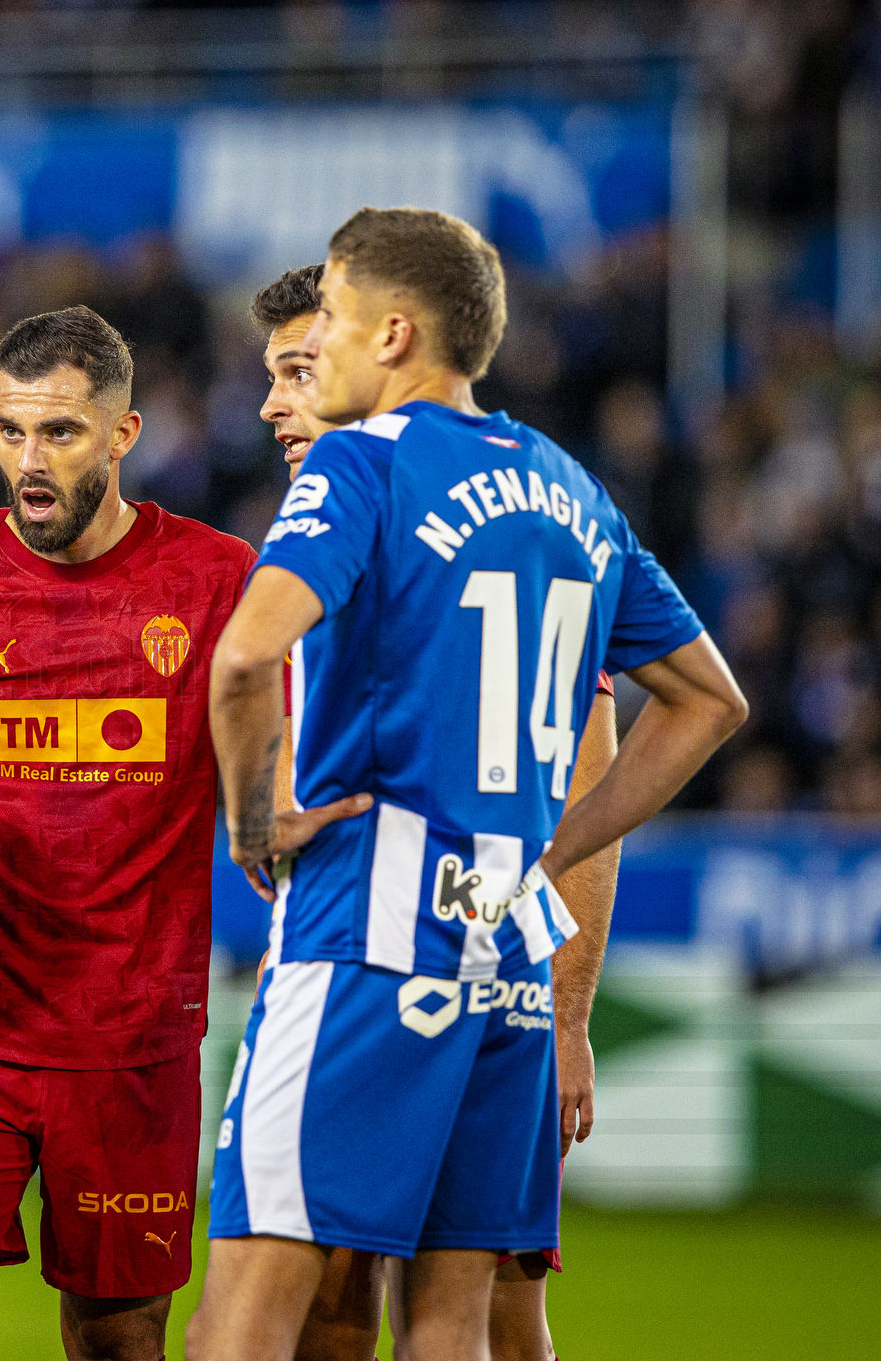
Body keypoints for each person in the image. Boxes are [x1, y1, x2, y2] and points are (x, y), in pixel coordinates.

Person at [189, 207, 748, 1361]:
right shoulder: (572, 491)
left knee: (242, 1311)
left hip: (364, 935)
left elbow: (241, 659)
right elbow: (709, 700)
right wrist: (553, 847)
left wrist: (252, 817)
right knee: (454, 1324)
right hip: (508, 962)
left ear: (392, 333)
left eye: (332, 320)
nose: (317, 351)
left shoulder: (361, 460)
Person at [0, 306, 362, 1361]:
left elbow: (273, 765)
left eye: (60, 432)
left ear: (123, 435)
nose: (28, 462)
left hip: (133, 1046)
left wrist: (280, 828)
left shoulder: (218, 583)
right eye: (9, 430)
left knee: (119, 1340)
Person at [227, 263, 627, 1361]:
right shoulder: (533, 511)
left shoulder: (387, 510)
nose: (271, 405)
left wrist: (571, 1009)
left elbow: (586, 785)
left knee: (436, 1297)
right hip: (474, 960)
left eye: (297, 371)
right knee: (406, 1297)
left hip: (388, 953)